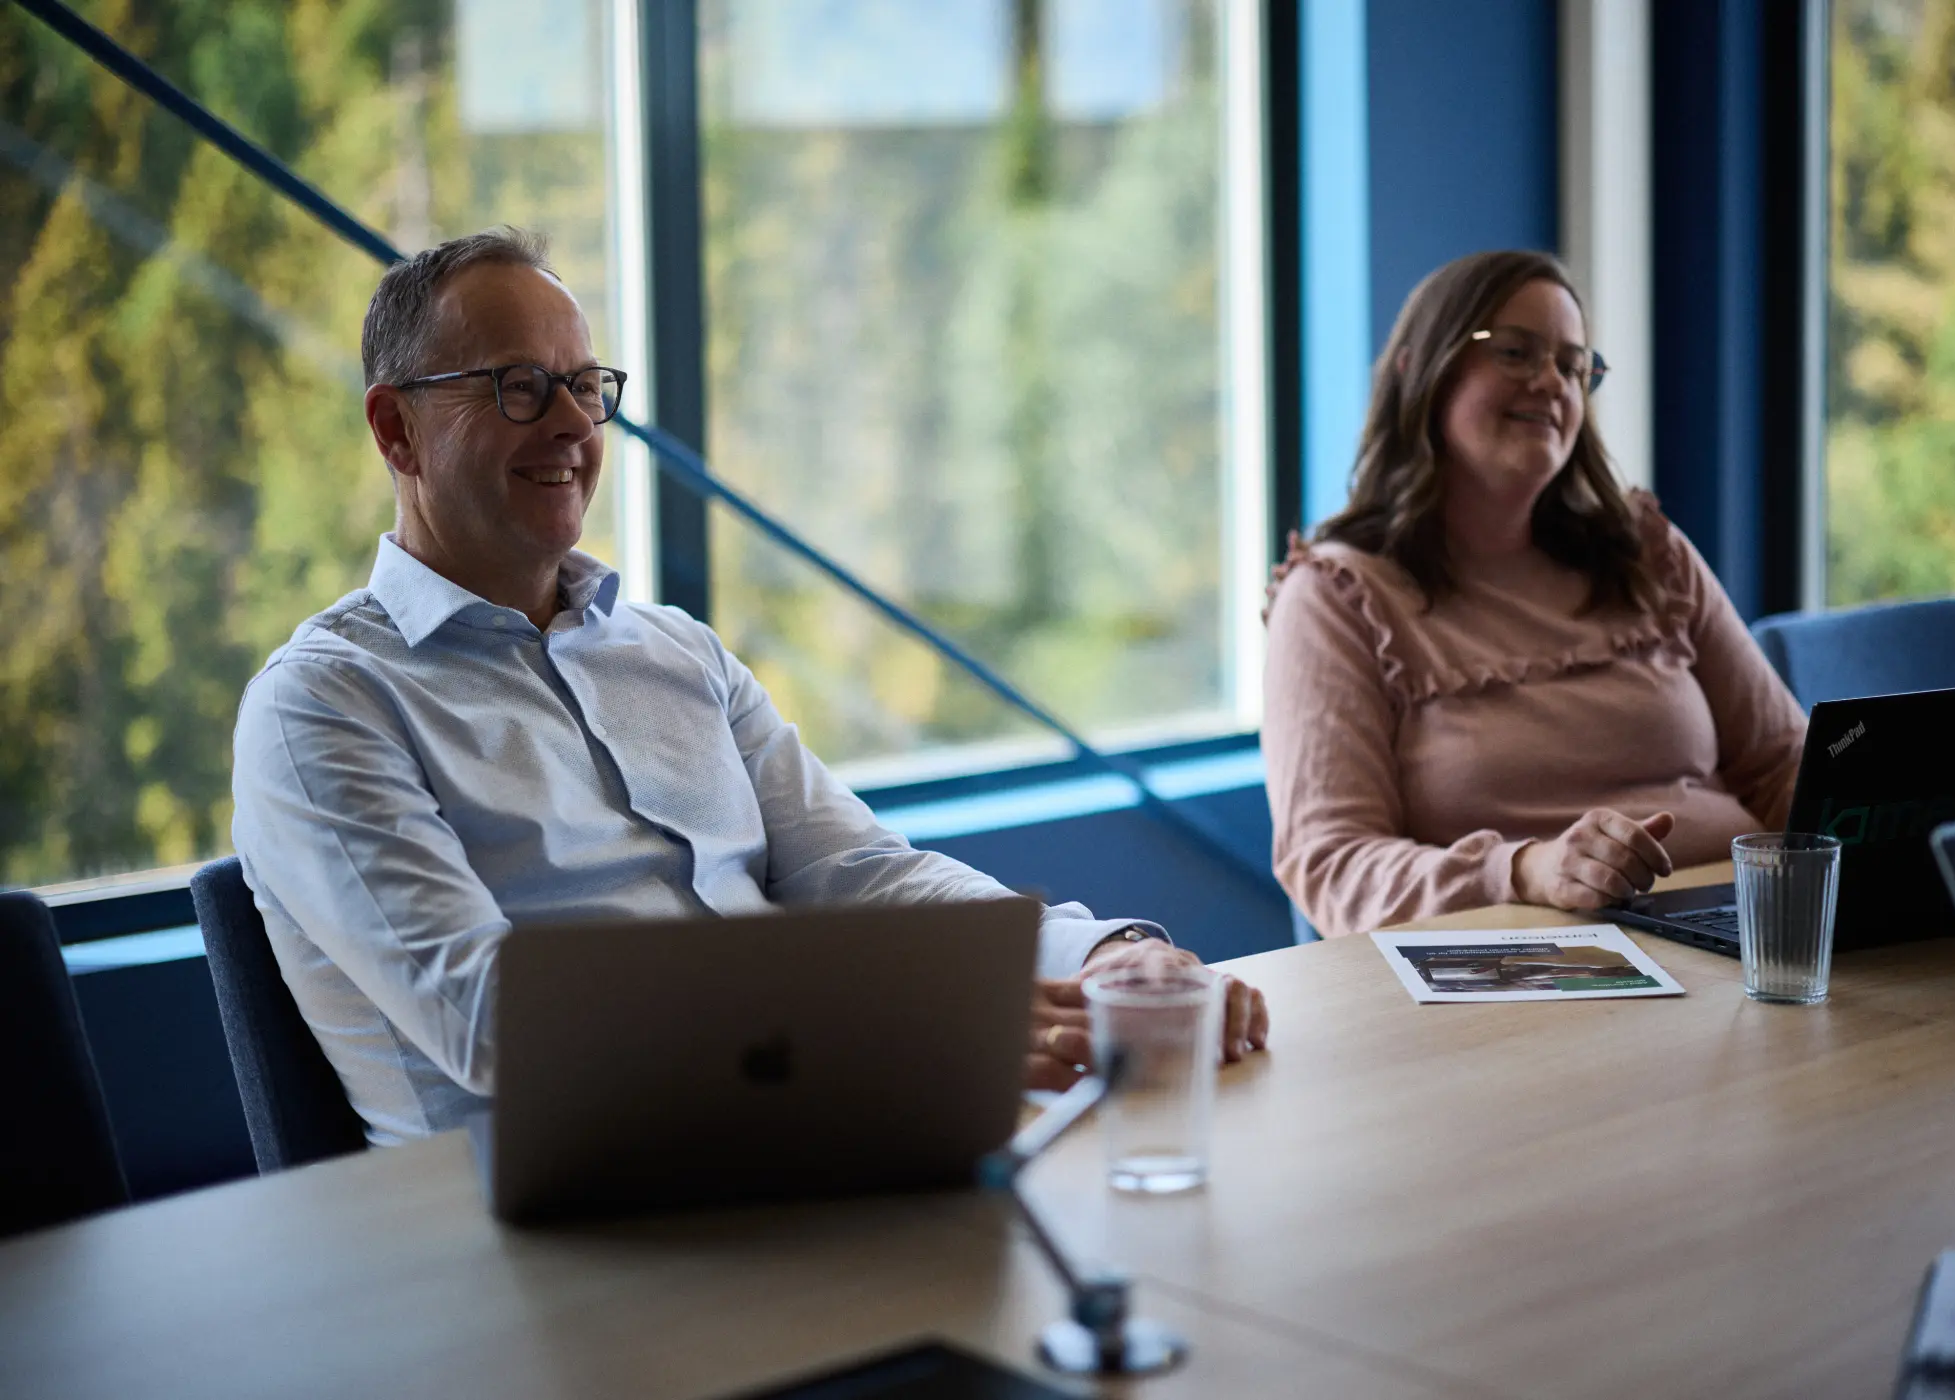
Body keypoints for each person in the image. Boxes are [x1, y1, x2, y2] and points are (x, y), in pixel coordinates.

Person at [230, 228, 1266, 1145]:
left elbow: (863, 873)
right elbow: (495, 1023)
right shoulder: (322, 707)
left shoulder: (676, 653)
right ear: (395, 430)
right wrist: (898, 1029)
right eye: (517, 386)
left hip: (807, 1141)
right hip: (533, 1239)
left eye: (585, 385)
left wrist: (1106, 954)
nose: (572, 428)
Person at [1263, 249, 1805, 938]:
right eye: (1515, 353)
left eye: (1574, 367)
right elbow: (1332, 864)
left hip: (1743, 927)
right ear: (1417, 372)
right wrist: (1523, 870)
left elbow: (1784, 765)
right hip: (1530, 967)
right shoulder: (1335, 597)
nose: (1552, 383)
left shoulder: (1646, 553)